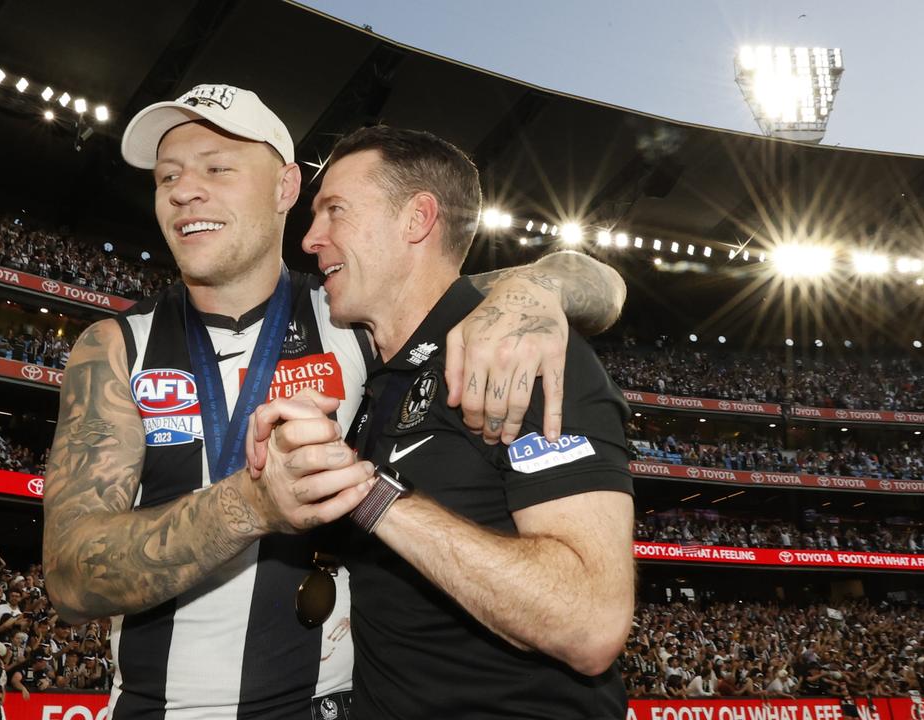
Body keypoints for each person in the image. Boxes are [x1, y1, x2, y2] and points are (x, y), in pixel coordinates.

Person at [43, 84, 626, 719]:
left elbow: (582, 284)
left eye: (217, 167)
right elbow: (70, 580)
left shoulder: (353, 316)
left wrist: (534, 288)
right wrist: (252, 505)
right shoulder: (115, 347)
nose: (184, 190)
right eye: (167, 176)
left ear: (285, 188)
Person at [263, 125, 635, 717]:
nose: (310, 238)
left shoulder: (517, 351)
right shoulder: (382, 373)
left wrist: (369, 495)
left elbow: (588, 623)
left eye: (335, 211)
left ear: (417, 219)